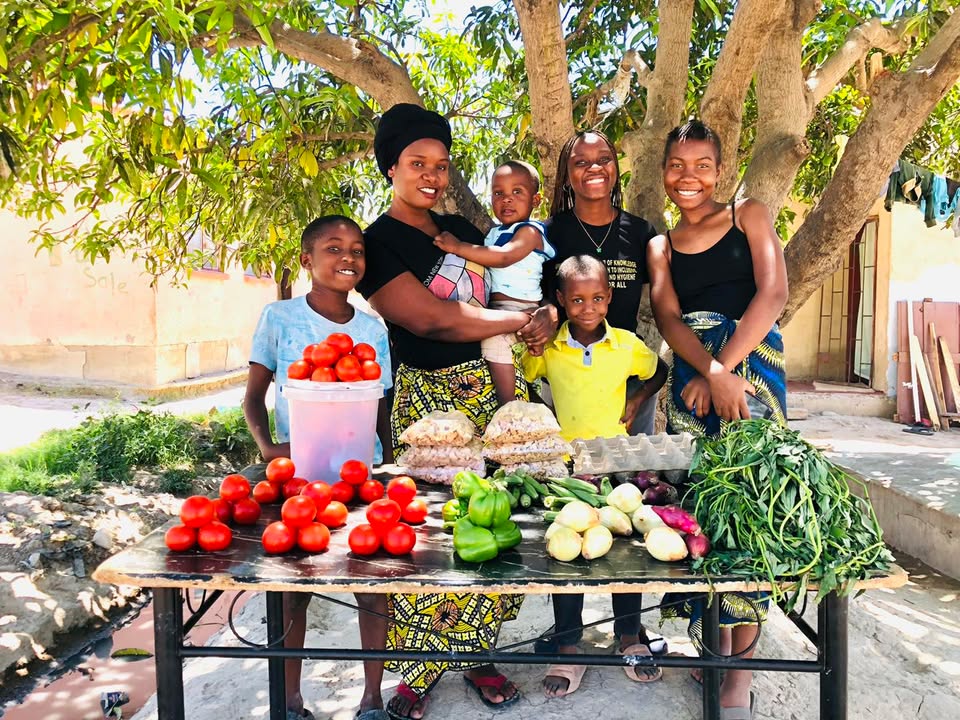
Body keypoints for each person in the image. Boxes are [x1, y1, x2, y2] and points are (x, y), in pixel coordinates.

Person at [356, 103, 554, 720]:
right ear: (391, 166)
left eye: (441, 164)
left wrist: (540, 310)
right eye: (418, 163)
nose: (433, 175)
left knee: (493, 528)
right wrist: (524, 321)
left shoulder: (452, 227)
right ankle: (417, 673)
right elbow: (430, 318)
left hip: (488, 391)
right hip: (429, 402)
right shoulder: (378, 241)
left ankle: (476, 655)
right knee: (430, 536)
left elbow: (502, 286)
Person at [647, 119, 788, 720]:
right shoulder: (660, 246)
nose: (689, 177)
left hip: (750, 374)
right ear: (663, 174)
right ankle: (712, 645)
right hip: (692, 381)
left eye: (702, 164)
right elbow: (669, 317)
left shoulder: (748, 214)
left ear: (720, 169)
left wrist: (725, 370)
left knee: (749, 513)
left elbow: (773, 293)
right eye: (678, 165)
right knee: (700, 510)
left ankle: (741, 672)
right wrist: (705, 371)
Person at [243, 215, 394, 720]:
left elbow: (379, 409)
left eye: (357, 249)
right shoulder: (279, 317)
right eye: (333, 248)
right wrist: (268, 448)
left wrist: (387, 467)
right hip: (299, 476)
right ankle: (290, 698)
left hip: (361, 475)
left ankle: (371, 697)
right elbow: (254, 397)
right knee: (294, 590)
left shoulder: (373, 328)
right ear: (308, 260)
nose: (347, 257)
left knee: (372, 584)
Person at [522, 255, 665, 697]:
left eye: (598, 298)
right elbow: (527, 378)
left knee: (626, 552)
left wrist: (639, 398)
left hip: (618, 463)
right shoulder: (549, 348)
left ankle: (629, 636)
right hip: (566, 468)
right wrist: (543, 421)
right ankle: (569, 642)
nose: (588, 307)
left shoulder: (626, 344)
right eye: (578, 299)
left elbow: (659, 370)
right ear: (561, 301)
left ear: (610, 298)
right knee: (566, 552)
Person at [543, 130, 668, 434]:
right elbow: (535, 300)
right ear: (566, 174)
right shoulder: (548, 234)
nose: (594, 168)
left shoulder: (640, 233)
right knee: (567, 476)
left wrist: (639, 396)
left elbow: (667, 305)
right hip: (566, 386)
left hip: (628, 385)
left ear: (615, 167)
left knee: (632, 477)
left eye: (603, 160)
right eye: (581, 162)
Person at [434, 160, 555, 406]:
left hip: (520, 308)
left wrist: (458, 247)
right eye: (499, 193)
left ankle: (507, 404)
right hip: (499, 309)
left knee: (494, 342)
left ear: (536, 200)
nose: (507, 199)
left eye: (517, 192)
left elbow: (503, 257)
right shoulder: (494, 233)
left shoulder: (530, 232)